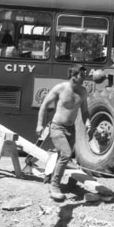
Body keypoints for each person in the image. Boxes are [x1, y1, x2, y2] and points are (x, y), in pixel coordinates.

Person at [36, 65, 91, 202]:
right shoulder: (60, 88)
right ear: (74, 75)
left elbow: (84, 111)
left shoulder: (83, 92)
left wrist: (88, 123)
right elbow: (44, 106)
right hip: (57, 127)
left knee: (64, 156)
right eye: (82, 75)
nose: (84, 78)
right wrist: (39, 124)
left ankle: (59, 180)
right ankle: (54, 186)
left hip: (71, 129)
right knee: (66, 154)